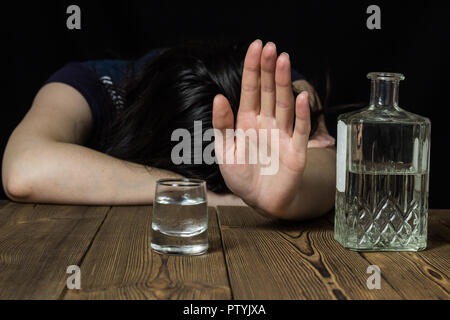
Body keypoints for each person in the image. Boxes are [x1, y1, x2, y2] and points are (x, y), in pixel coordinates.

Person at [2, 39, 336, 221]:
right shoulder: (86, 85)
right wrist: (208, 194)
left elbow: (330, 163)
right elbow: (24, 170)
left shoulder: (279, 88)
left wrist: (286, 196)